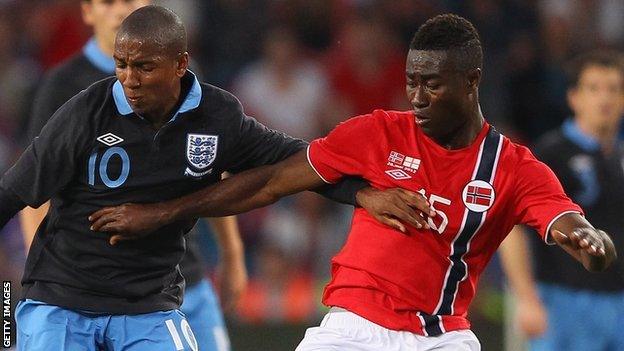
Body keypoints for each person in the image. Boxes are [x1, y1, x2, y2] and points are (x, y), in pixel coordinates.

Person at [89, 14, 618, 351]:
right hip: (350, 330)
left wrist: (590, 242)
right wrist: (163, 213)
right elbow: (271, 182)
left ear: (471, 82)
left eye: (431, 85)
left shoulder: (513, 166)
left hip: (440, 338)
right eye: (411, 81)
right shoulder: (377, 132)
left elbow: (568, 223)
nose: (416, 96)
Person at [0, 6, 424, 351]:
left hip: (146, 306)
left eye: (144, 67)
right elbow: (12, 192)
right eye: (122, 65)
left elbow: (294, 161)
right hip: (62, 299)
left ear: (181, 64)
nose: (129, 79)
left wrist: (361, 194)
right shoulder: (86, 111)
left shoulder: (218, 118)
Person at [20, 1, 245, 350]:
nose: (120, 9)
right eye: (109, 1)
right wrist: (40, 282)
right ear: (87, 11)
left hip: (184, 277)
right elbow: (33, 187)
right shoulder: (62, 85)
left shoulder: (181, 74)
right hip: (84, 293)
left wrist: (232, 254)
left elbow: (213, 165)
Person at [499, 51, 624, 351]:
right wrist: (526, 299)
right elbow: (510, 228)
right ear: (574, 97)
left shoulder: (620, 158)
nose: (604, 98)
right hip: (561, 304)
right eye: (593, 88)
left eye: (614, 89)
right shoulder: (548, 155)